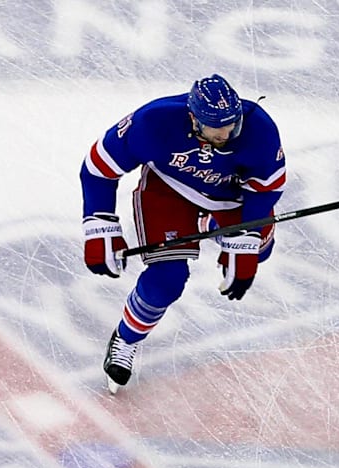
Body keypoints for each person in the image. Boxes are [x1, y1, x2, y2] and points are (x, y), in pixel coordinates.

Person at [80, 74, 286, 393]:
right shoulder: (153, 122)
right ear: (193, 118)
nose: (226, 134)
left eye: (232, 125)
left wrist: (246, 241)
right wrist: (100, 224)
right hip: (168, 192)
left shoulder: (259, 129)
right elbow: (98, 168)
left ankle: (209, 224)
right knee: (166, 281)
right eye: (216, 128)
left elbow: (266, 189)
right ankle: (126, 339)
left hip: (229, 197)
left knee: (261, 251)